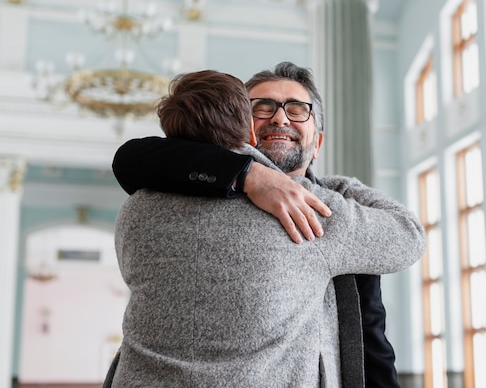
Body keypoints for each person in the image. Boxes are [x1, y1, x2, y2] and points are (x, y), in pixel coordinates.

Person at [110, 69, 424, 387]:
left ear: (318, 143)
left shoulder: (135, 208)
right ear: (246, 125)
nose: (279, 119)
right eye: (263, 107)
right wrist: (250, 174)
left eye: (297, 109)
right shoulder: (318, 213)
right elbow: (409, 235)